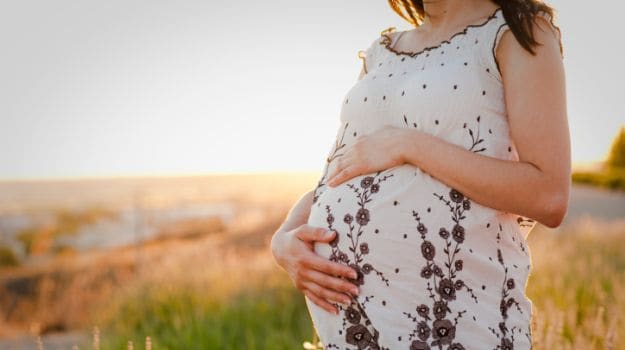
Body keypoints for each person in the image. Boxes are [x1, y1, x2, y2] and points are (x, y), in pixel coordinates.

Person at [271, 0, 570, 348]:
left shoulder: (516, 30)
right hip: (350, 328)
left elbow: (548, 195)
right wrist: (283, 239)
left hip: (461, 322)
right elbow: (340, 171)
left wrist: (409, 145)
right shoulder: (380, 54)